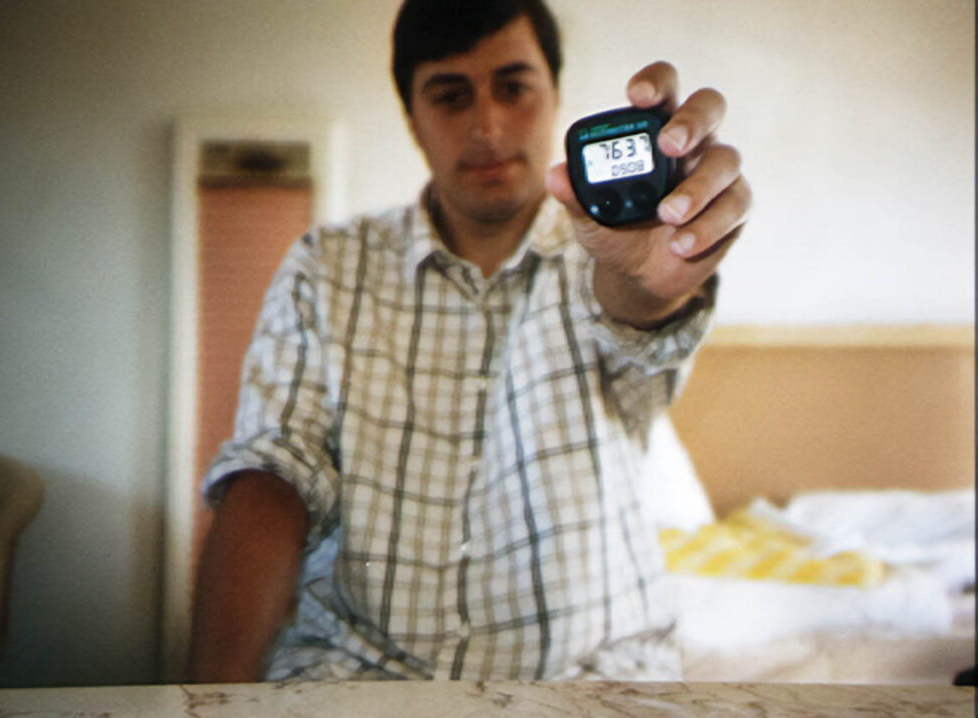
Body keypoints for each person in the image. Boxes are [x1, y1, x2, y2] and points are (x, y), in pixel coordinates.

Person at [188, 0, 750, 683]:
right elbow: (272, 475)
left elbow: (640, 326)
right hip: (356, 679)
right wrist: (208, 699)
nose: (487, 125)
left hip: (593, 681)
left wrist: (654, 285)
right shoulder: (327, 267)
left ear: (555, 96)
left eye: (513, 87)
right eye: (451, 96)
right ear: (412, 119)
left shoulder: (605, 262)